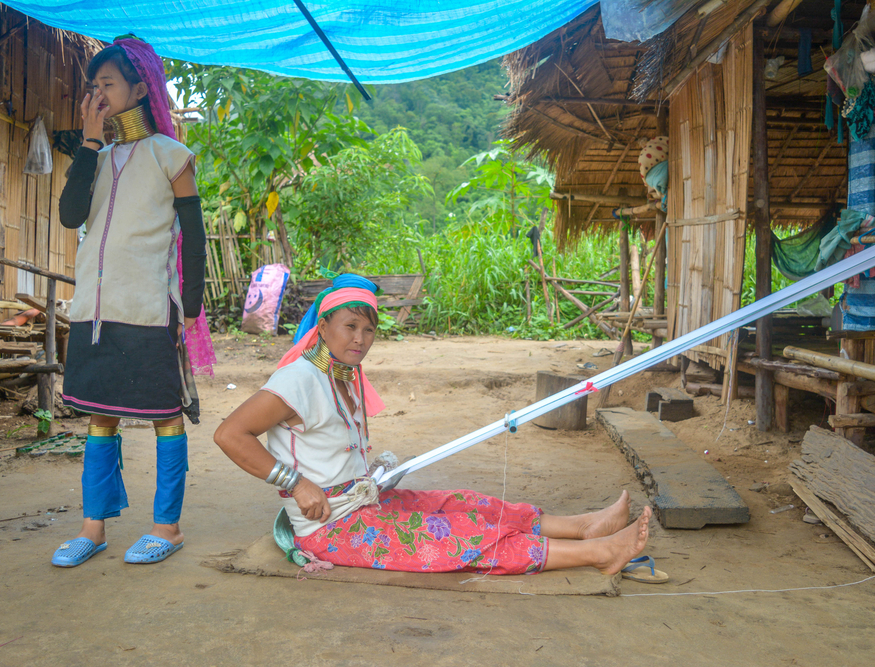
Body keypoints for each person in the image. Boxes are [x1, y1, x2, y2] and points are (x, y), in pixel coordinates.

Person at [214, 275, 651, 576]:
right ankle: (600, 553)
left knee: (464, 503)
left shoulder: (344, 379)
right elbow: (230, 434)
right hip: (329, 528)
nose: (360, 340)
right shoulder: (298, 379)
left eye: (369, 330)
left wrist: (373, 473)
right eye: (350, 327)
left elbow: (329, 450)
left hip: (362, 505)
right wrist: (295, 483)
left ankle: (582, 526)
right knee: (461, 536)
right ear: (323, 327)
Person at [50, 36, 215, 567]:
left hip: (149, 308)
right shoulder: (91, 157)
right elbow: (72, 216)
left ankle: (167, 527)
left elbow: (194, 233)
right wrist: (91, 143)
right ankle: (93, 528)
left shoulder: (171, 155)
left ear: (140, 89)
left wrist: (190, 304)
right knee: (100, 417)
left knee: (165, 415)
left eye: (108, 84)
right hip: (94, 312)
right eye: (92, 86)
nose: (97, 94)